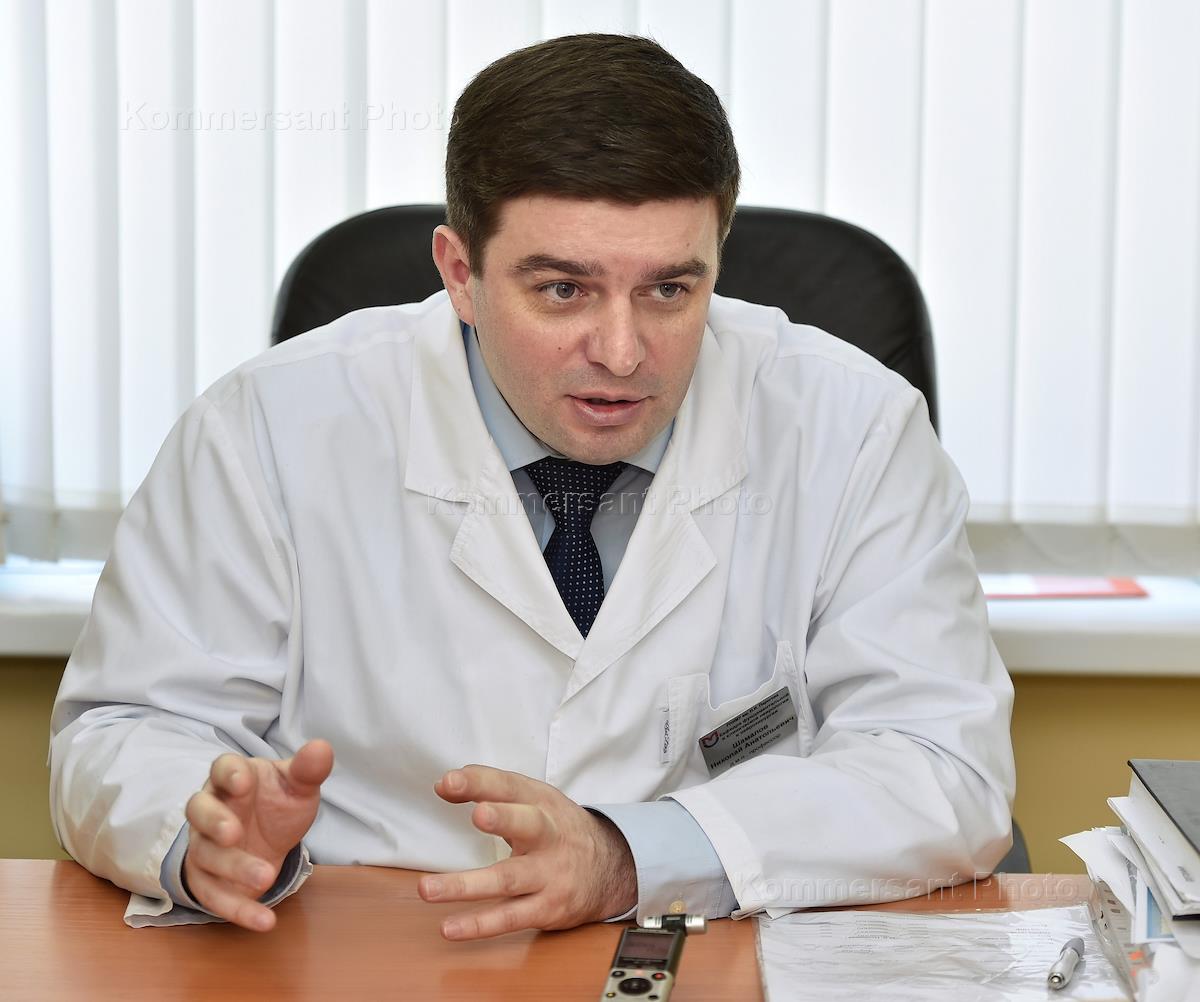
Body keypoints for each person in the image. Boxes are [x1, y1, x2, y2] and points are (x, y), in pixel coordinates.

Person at [49, 33, 1015, 938]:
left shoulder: (853, 428)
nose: (623, 352)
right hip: (373, 945)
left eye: (670, 290)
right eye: (563, 290)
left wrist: (631, 856)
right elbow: (127, 727)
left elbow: (942, 768)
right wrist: (203, 834)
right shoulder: (269, 426)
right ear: (460, 274)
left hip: (711, 949)